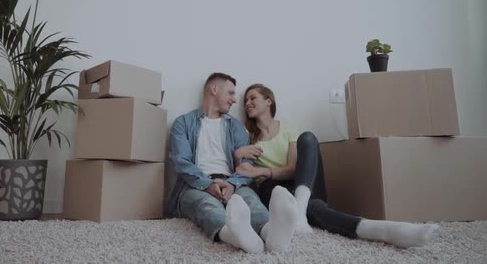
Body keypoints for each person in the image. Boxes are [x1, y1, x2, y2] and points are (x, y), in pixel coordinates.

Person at [235, 83, 439, 248]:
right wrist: (238, 154)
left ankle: (300, 210)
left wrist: (263, 170)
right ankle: (386, 230)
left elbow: (293, 168)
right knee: (315, 209)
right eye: (245, 101)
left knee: (308, 137)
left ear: (268, 101)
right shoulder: (246, 135)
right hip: (276, 193)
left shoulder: (288, 126)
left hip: (302, 184)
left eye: (253, 98)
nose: (247, 103)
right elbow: (241, 172)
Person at [166, 73, 300, 253]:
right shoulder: (183, 123)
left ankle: (270, 234)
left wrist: (231, 183)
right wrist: (208, 184)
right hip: (195, 185)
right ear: (214, 90)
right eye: (230, 93)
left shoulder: (236, 127)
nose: (234, 100)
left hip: (234, 182)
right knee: (207, 205)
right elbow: (181, 162)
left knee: (251, 201)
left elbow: (247, 163)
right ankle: (233, 235)